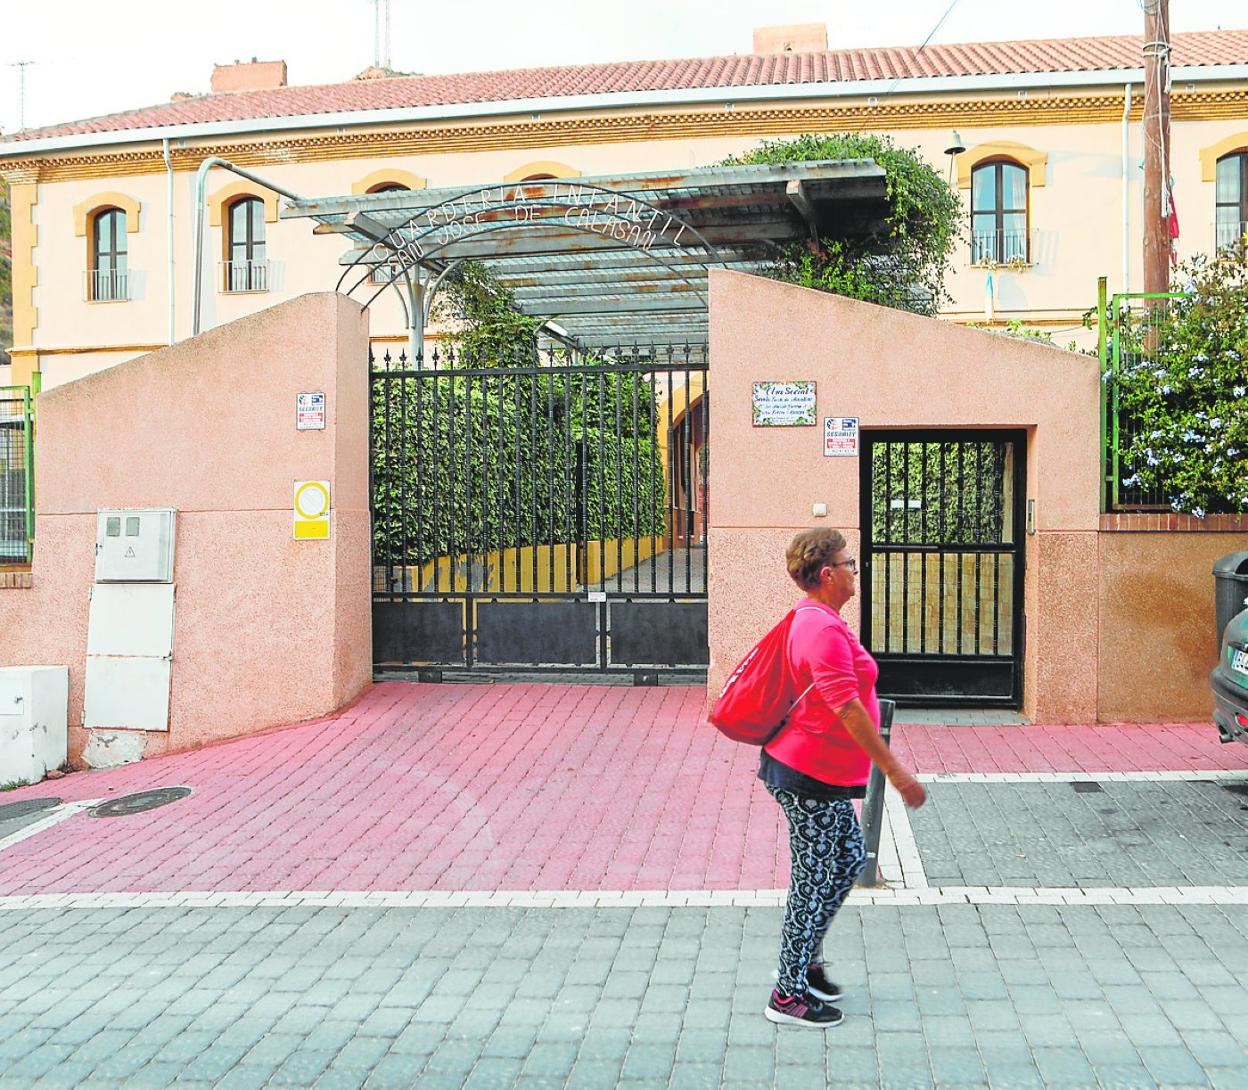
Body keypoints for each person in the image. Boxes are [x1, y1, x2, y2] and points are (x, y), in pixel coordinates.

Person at [762, 527, 927, 1028]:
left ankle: (803, 961)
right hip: (805, 772)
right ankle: (787, 994)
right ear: (828, 573)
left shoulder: (821, 619)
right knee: (813, 878)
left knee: (847, 858)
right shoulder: (821, 627)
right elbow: (849, 710)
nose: (857, 569)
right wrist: (895, 772)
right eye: (849, 562)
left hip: (820, 772)